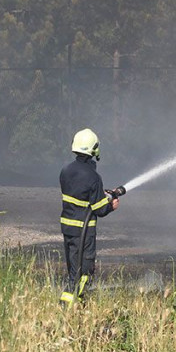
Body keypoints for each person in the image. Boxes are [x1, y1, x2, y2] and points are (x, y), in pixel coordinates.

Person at [59, 128, 119, 306]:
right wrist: (111, 206)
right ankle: (68, 303)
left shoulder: (65, 171)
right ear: (94, 149)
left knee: (73, 268)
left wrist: (100, 194)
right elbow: (99, 209)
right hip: (84, 232)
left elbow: (80, 194)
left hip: (67, 228)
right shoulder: (93, 176)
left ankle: (74, 304)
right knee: (84, 271)